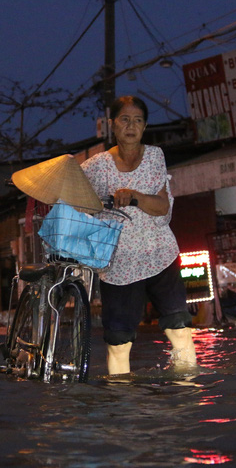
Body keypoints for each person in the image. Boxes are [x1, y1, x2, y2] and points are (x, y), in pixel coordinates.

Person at [80, 95, 197, 376]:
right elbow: (74, 191)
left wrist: (133, 196)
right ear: (112, 124)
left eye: (138, 120)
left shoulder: (155, 156)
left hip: (159, 255)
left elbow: (161, 207)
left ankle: (188, 392)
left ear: (144, 127)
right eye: (124, 119)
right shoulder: (95, 165)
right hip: (119, 265)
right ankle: (123, 406)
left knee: (179, 327)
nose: (131, 126)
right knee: (118, 343)